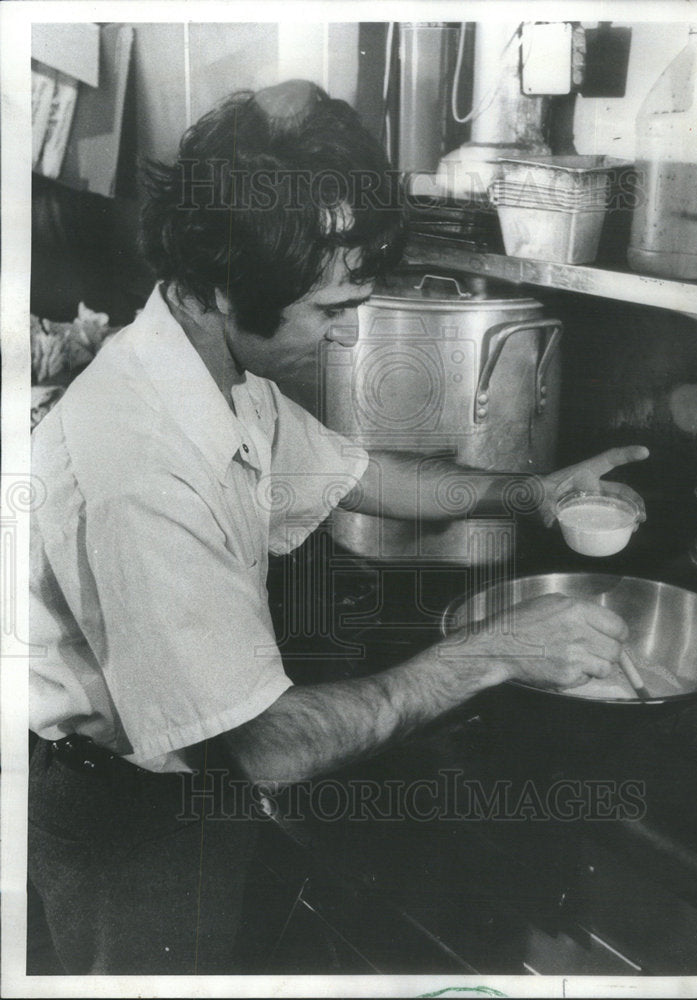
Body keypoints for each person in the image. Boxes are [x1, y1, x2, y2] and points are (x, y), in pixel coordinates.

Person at [28, 81, 648, 974]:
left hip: (178, 770)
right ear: (216, 284)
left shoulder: (203, 374)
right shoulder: (142, 468)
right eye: (330, 312)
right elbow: (268, 747)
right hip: (126, 811)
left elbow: (362, 472)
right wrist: (493, 651)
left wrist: (533, 494)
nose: (343, 338)